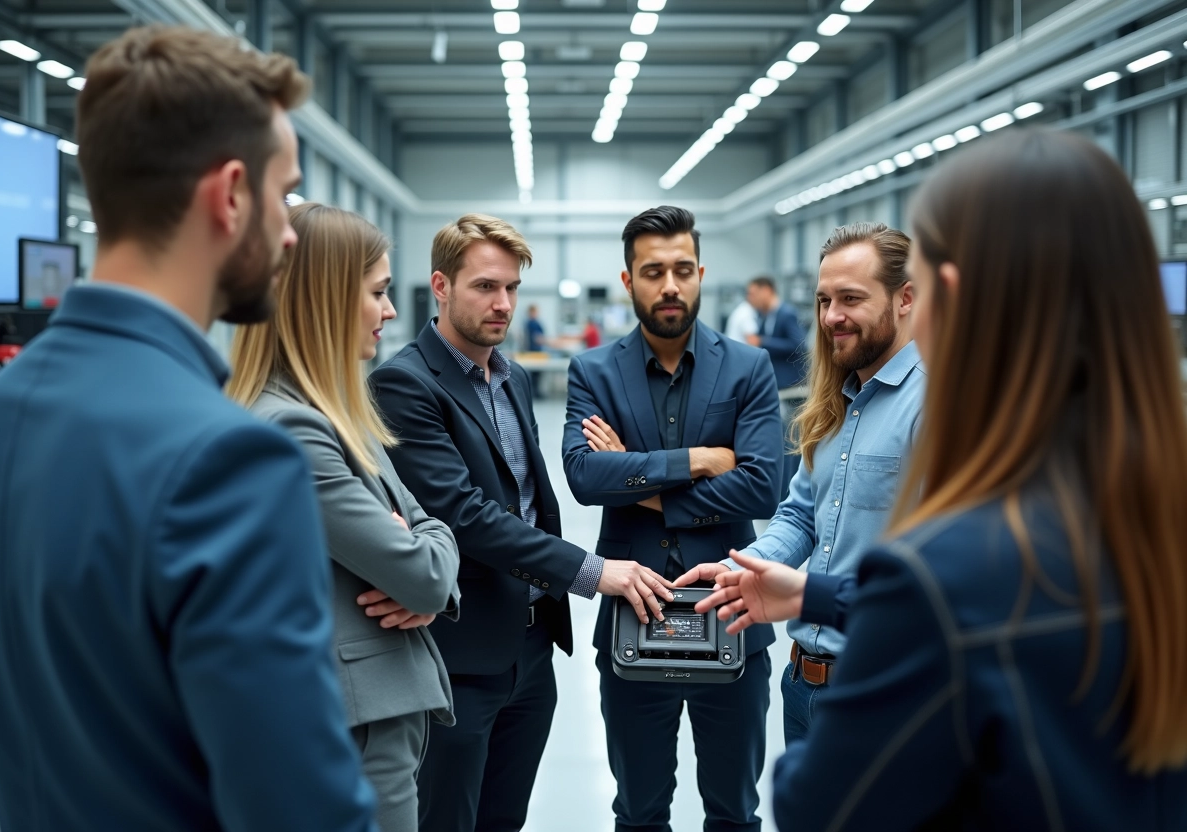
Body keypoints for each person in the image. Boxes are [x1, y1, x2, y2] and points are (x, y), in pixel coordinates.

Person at [700, 130, 1187, 830]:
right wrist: (813, 592)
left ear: (936, 297)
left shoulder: (955, 573)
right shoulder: (1144, 517)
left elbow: (816, 803)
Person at [0, 26, 375, 832]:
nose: (291, 232)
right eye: (284, 195)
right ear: (229, 195)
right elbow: (302, 809)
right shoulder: (232, 459)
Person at [369, 213, 672, 832]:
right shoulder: (404, 383)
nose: (502, 303)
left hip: (531, 648)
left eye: (511, 288)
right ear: (441, 286)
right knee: (447, 818)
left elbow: (530, 498)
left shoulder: (512, 379)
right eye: (484, 286)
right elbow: (466, 515)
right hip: (460, 652)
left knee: (506, 819)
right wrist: (592, 572)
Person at [227, 203, 461, 832]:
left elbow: (425, 532)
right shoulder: (296, 431)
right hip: (358, 725)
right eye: (378, 292)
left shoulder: (332, 415)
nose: (390, 311)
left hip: (366, 717)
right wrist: (427, 564)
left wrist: (426, 558)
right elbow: (424, 568)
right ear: (327, 299)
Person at [563, 205, 783, 832]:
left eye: (682, 270)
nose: (670, 285)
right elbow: (584, 477)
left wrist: (636, 479)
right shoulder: (594, 371)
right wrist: (700, 460)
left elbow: (763, 487)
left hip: (731, 615)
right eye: (653, 271)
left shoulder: (748, 367)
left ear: (700, 273)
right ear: (629, 279)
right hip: (633, 621)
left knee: (736, 811)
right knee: (637, 811)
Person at [676, 222, 923, 745]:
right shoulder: (837, 404)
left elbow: (943, 578)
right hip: (805, 685)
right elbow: (798, 517)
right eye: (823, 299)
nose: (831, 316)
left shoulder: (937, 405)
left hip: (887, 688)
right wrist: (736, 569)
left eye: (851, 298)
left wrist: (811, 594)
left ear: (906, 299)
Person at [744, 274, 808, 498]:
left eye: (753, 293)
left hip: (793, 391)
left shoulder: (786, 314)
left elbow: (799, 344)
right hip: (777, 390)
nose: (750, 299)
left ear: (767, 290)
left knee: (791, 443)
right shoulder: (764, 318)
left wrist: (762, 342)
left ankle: (792, 493)